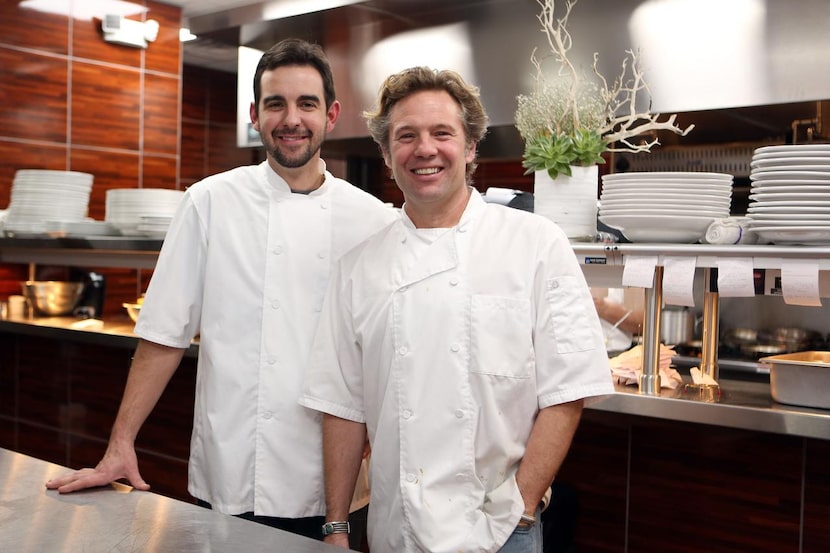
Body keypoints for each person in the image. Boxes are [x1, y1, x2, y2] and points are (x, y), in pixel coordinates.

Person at [45, 38, 396, 544]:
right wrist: (120, 442)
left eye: (306, 104)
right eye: (275, 103)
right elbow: (165, 331)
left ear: (332, 115)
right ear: (255, 114)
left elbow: (383, 348)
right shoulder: (209, 201)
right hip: (232, 463)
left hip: (332, 482)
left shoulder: (370, 218)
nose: (290, 118)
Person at [300, 66, 615, 553]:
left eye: (442, 133)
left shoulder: (535, 243)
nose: (424, 149)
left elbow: (568, 390)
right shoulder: (358, 268)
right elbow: (342, 407)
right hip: (396, 529)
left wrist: (521, 505)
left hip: (503, 528)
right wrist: (337, 526)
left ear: (470, 148)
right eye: (406, 136)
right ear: (386, 155)